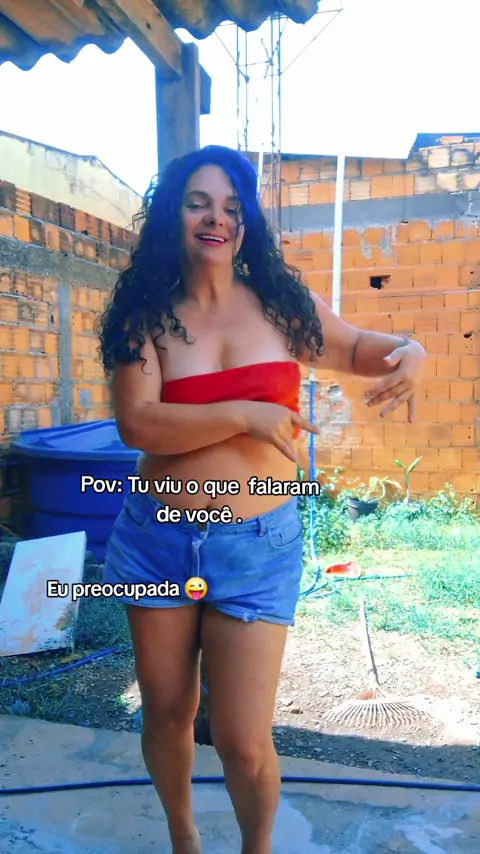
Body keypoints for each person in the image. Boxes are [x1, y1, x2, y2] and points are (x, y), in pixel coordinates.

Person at [97, 145, 426, 854]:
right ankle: (184, 840)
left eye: (231, 207)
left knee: (244, 740)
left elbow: (360, 348)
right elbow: (139, 424)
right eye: (198, 203)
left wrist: (412, 352)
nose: (215, 218)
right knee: (167, 714)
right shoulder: (144, 315)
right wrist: (245, 414)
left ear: (245, 222)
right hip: (158, 540)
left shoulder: (281, 305)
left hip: (256, 545)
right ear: (173, 214)